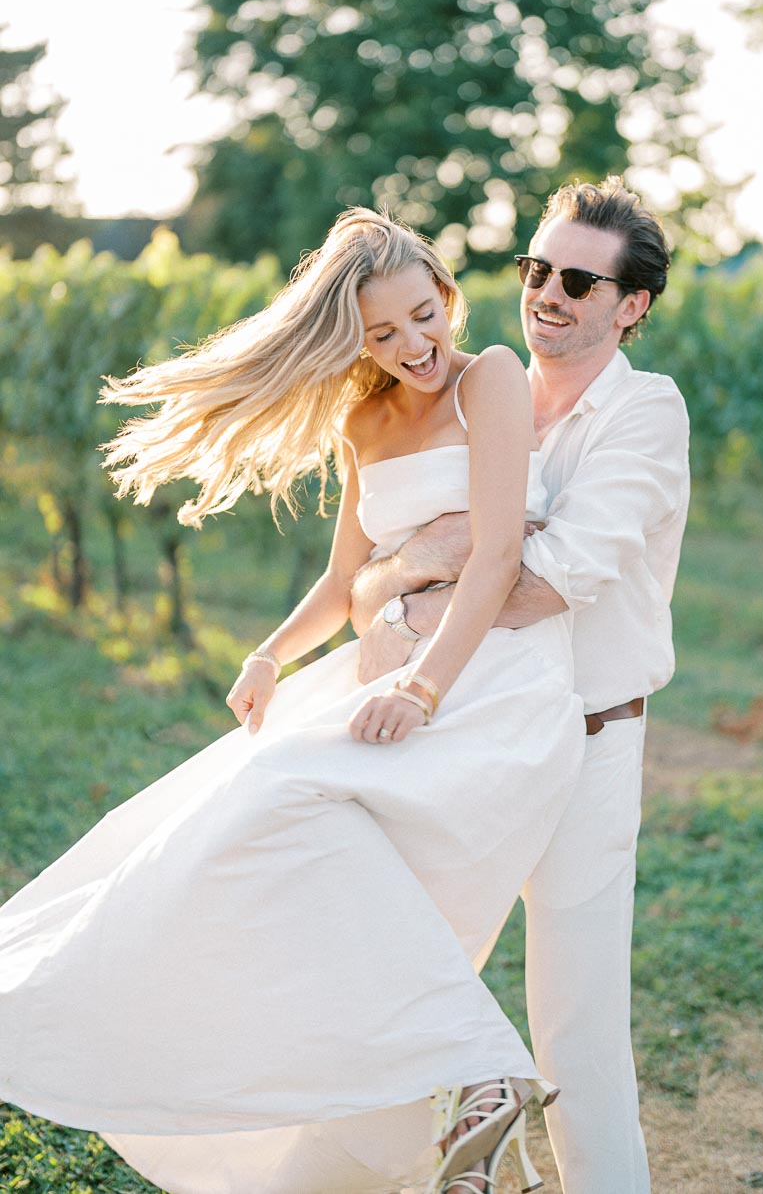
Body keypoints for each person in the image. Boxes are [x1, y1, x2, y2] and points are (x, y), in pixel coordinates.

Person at [0, 208, 587, 1194]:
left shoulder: (489, 377)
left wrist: (424, 684)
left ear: (445, 294)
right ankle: (450, 1096)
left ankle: (469, 1070)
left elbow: (497, 555)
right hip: (383, 671)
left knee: (282, 798)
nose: (413, 347)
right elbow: (341, 577)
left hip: (492, 677)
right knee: (222, 831)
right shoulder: (363, 422)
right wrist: (271, 654)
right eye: (383, 334)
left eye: (419, 316)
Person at [349, 178, 691, 1193]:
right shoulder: (466, 391)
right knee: (398, 945)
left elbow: (553, 581)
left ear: (630, 305)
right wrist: (427, 569)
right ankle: (467, 1132)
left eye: (579, 280)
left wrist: (419, 603)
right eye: (536, 268)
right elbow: (368, 567)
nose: (547, 292)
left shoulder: (646, 414)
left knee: (578, 1019)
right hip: (461, 726)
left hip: (585, 737)